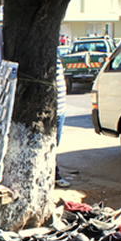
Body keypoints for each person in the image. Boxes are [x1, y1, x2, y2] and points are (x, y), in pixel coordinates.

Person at [55, 60, 70, 188]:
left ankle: (54, 174)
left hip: (60, 110)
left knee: (55, 145)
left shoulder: (57, 58)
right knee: (52, 146)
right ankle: (56, 175)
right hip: (52, 111)